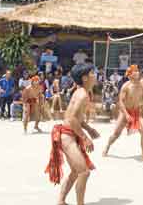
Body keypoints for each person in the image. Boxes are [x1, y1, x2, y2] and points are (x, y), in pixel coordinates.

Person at [45, 63, 99, 205]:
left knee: (76, 171)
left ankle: (61, 201)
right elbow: (72, 119)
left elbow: (76, 117)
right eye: (92, 73)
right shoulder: (82, 94)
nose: (95, 75)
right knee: (83, 172)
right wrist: (85, 137)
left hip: (69, 134)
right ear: (85, 78)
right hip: (67, 136)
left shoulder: (81, 92)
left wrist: (88, 128)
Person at [103, 65, 143, 161]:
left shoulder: (142, 85)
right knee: (116, 134)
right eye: (135, 71)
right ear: (130, 75)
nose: (137, 72)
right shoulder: (126, 86)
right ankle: (107, 146)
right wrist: (126, 114)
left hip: (137, 111)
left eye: (137, 70)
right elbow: (120, 102)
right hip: (125, 112)